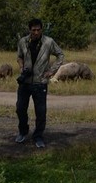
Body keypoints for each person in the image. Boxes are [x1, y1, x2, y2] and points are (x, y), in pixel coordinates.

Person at [14, 18, 63, 148]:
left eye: (38, 30)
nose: (36, 32)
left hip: (40, 82)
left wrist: (52, 71)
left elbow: (60, 55)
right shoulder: (23, 41)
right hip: (25, 81)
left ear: (42, 29)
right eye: (33, 30)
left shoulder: (48, 42)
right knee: (20, 108)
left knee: (41, 112)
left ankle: (38, 136)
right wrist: (21, 66)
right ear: (29, 30)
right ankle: (23, 131)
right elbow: (19, 56)